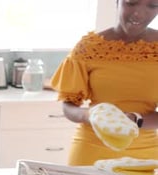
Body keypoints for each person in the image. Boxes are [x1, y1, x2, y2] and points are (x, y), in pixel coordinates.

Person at [51, 0, 158, 166]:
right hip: (91, 149)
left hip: (145, 156)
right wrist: (91, 115)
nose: (139, 13)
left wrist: (135, 120)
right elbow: (68, 106)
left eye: (152, 6)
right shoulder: (89, 47)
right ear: (118, 2)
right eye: (131, 3)